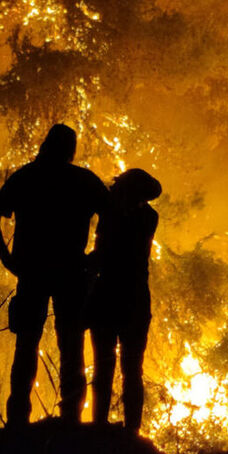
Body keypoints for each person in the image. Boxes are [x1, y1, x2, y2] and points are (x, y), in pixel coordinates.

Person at [0, 124, 108, 427]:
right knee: (72, 347)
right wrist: (97, 256)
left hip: (32, 272)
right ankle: (71, 423)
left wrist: (7, 258)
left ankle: (17, 425)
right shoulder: (83, 180)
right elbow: (114, 215)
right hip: (72, 273)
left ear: (45, 145)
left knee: (26, 345)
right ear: (70, 149)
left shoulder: (27, 177)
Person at [88, 168, 160, 433]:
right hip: (134, 299)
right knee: (129, 369)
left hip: (110, 295)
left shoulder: (113, 214)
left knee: (107, 366)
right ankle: (128, 432)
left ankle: (101, 427)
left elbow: (103, 254)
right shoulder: (148, 216)